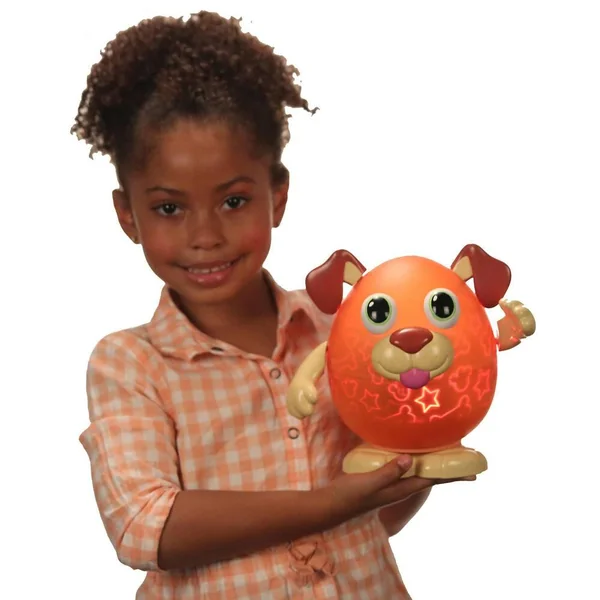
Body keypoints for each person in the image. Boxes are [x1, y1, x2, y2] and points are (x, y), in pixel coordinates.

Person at [73, 10, 470, 599]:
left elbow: (372, 517)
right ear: (127, 215)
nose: (206, 236)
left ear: (277, 195)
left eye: (233, 201)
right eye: (168, 208)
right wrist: (329, 503)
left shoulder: (344, 327)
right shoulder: (130, 364)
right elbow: (145, 526)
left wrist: (420, 443)